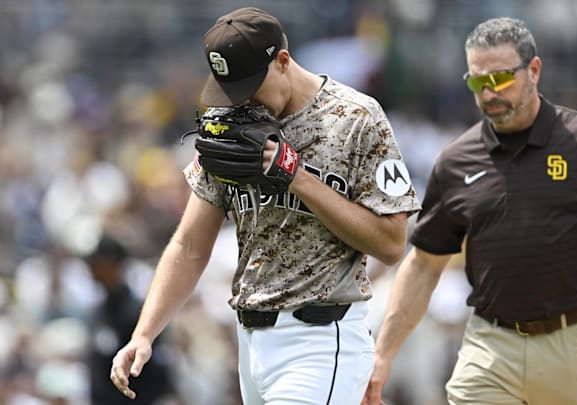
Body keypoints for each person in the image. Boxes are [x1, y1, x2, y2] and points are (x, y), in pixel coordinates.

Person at [110, 7, 421, 405]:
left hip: (320, 338)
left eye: (250, 85)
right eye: (230, 89)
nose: (241, 100)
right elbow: (189, 245)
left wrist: (298, 177)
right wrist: (144, 333)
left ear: (282, 62)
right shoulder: (231, 126)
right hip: (251, 345)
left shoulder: (356, 119)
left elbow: (393, 244)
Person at [363, 17, 577, 405]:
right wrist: (382, 354)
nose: (490, 92)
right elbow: (424, 264)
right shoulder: (456, 161)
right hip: (491, 346)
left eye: (502, 78)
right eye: (478, 82)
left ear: (535, 71)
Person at [85, 234, 174, 404]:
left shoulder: (138, 313)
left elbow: (157, 371)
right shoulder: (100, 310)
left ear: (114, 264)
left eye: (98, 263)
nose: (92, 269)